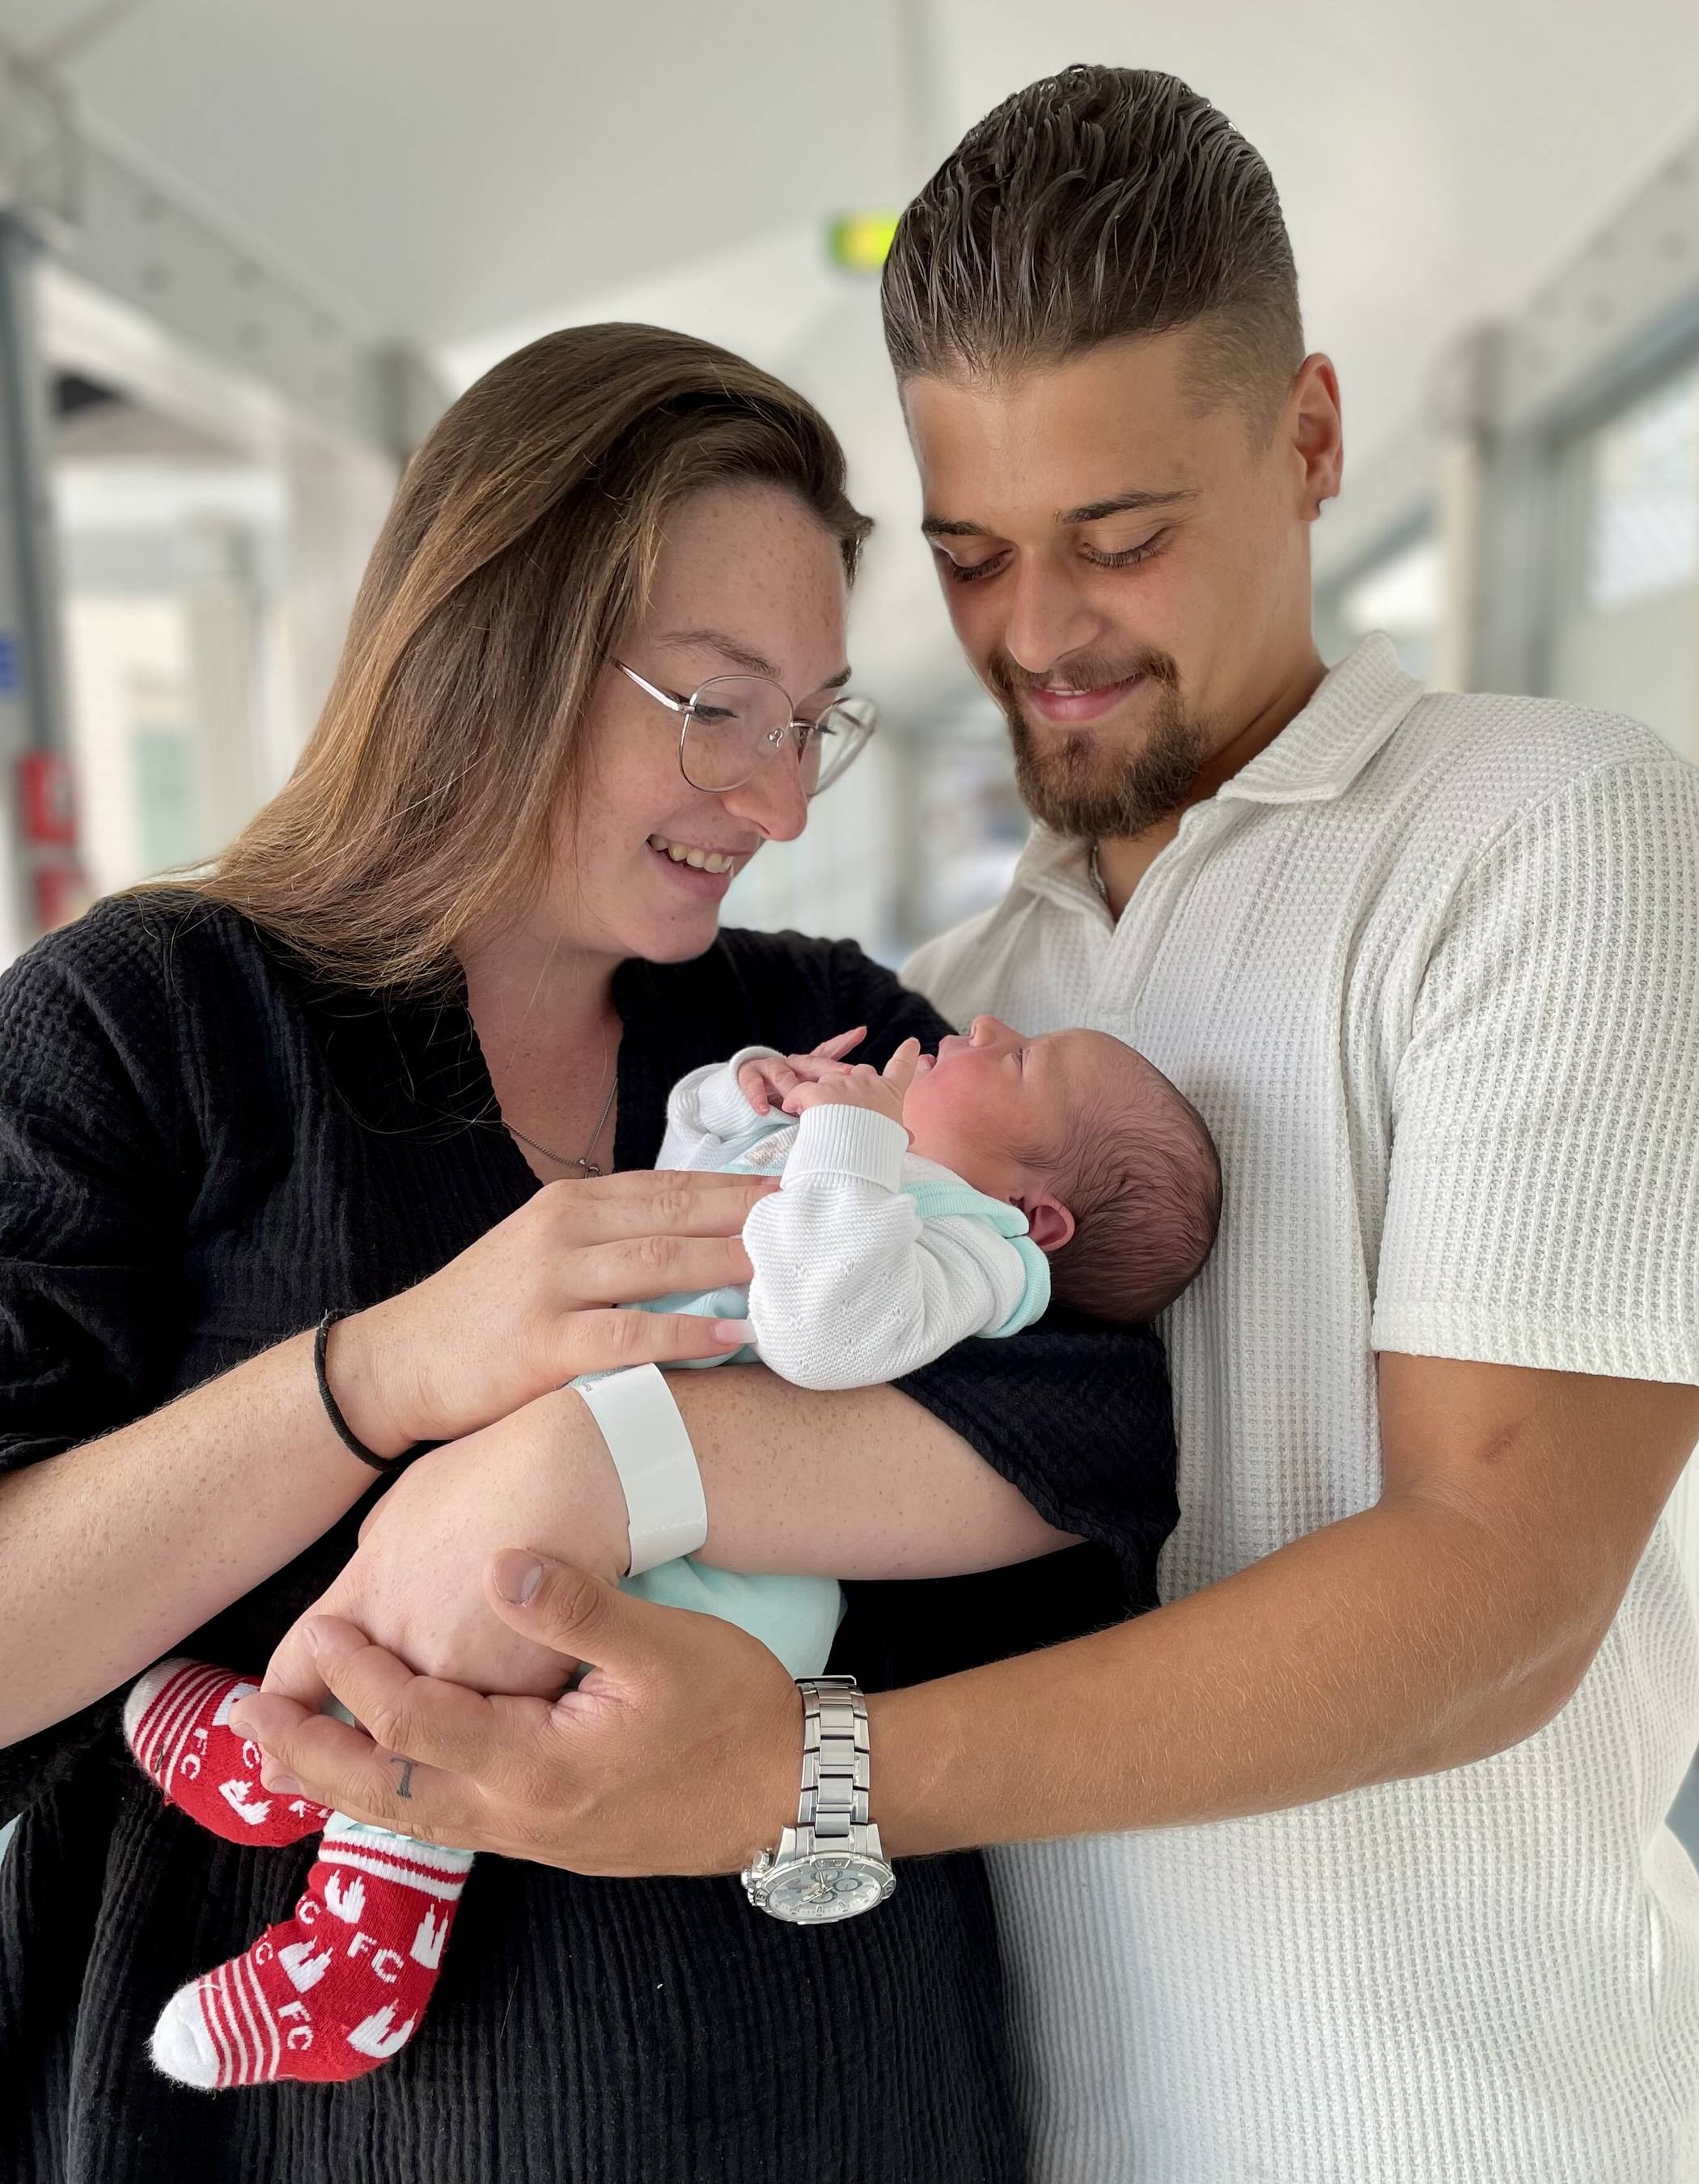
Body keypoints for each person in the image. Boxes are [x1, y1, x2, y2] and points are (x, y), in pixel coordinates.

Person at [231, 66, 1699, 2184]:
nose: (1038, 635)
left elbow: (1496, 1596)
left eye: (1118, 538)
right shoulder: (956, 994)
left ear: (1307, 437)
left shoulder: (1543, 834)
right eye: (974, 555)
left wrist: (816, 1773)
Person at [0, 323, 1183, 2183]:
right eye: (721, 706)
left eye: (812, 722)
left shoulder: (822, 1032)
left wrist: (619, 1466)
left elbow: (1096, 1433)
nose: (784, 801)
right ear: (498, 639)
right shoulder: (150, 1027)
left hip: (848, 2107)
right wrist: (377, 1376)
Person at [121, 1017, 1218, 2091]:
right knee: (459, 1592)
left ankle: (363, 1934)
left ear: (1039, 1213)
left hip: (706, 1590)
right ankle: (289, 1760)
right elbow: (681, 1179)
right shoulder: (865, 1162)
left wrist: (848, 1141)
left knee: (490, 1640)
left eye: (1020, 1062)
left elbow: (822, 1333)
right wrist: (746, 1090)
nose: (981, 1025)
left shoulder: (978, 1252)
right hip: (630, 1497)